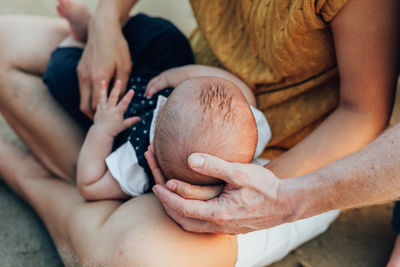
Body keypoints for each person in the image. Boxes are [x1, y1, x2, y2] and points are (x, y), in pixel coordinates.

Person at [0, 0, 398, 265]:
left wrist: (261, 192)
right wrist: (106, 21)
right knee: (4, 44)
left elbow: (361, 114)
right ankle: (107, 206)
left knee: (135, 256)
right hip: (182, 86)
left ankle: (26, 174)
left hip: (289, 157)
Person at [48, 0, 268, 200]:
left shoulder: (139, 165)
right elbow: (239, 89)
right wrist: (180, 75)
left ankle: (79, 38)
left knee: (61, 71)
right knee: (166, 38)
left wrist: (102, 130)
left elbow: (90, 184)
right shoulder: (248, 133)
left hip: (117, 111)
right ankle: (96, 32)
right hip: (160, 75)